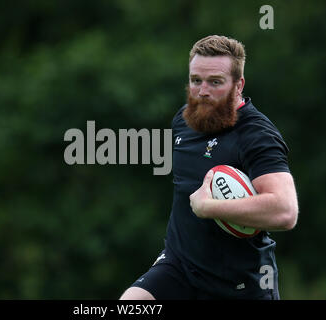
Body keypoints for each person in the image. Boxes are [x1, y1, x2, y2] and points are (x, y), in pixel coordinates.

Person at [119, 35, 299, 300]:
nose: (202, 91)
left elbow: (285, 211)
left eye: (215, 82)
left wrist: (209, 208)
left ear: (239, 85)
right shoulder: (183, 121)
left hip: (240, 284)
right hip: (179, 267)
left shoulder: (257, 135)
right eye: (195, 81)